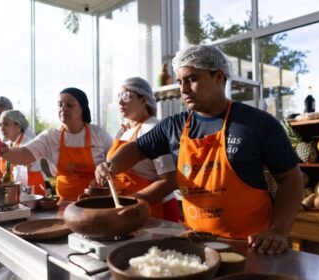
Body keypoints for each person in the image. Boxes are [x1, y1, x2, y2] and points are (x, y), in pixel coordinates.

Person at [95, 45, 304, 255]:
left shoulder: (256, 123)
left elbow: (291, 179)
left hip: (253, 246)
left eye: (192, 79)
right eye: (180, 82)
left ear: (219, 77)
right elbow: (137, 148)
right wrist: (111, 165)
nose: (184, 90)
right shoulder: (174, 126)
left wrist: (278, 230)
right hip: (196, 245)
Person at [0, 87, 112, 202]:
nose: (63, 108)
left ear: (82, 108)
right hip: (65, 203)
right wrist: (5, 152)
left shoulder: (98, 134)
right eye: (60, 105)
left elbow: (115, 160)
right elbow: (24, 155)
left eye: (69, 105)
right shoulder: (50, 136)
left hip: (96, 201)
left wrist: (106, 171)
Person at [108, 77, 180, 221]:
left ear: (144, 99)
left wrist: (132, 201)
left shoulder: (153, 129)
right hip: (126, 206)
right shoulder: (123, 131)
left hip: (156, 209)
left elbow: (169, 181)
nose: (120, 102)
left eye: (126, 96)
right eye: (119, 97)